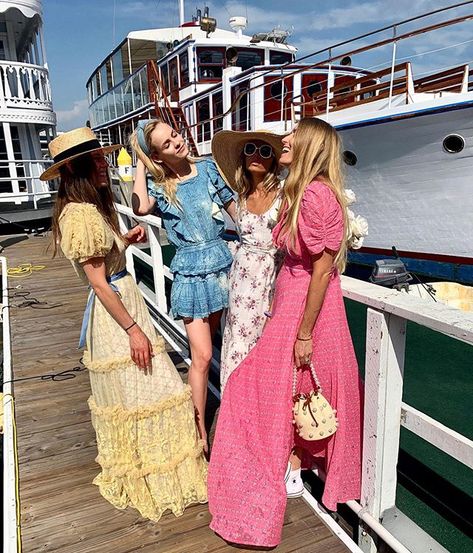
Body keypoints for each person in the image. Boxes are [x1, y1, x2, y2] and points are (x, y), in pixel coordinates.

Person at [207, 118, 362, 547]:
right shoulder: (306, 190)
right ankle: (286, 459)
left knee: (250, 384)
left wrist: (305, 330)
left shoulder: (315, 194)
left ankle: (278, 462)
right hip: (288, 297)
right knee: (277, 383)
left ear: (312, 145)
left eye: (293, 137)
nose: (284, 141)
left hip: (301, 306)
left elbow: (321, 269)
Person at [41, 127, 208, 521]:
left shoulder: (91, 206)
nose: (104, 165)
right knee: (152, 388)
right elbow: (98, 282)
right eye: (96, 161)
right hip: (117, 313)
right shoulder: (78, 214)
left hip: (122, 300)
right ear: (78, 170)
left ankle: (156, 466)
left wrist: (125, 242)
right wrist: (133, 329)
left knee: (141, 392)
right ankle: (153, 472)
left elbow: (102, 264)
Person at [130, 119, 236, 453]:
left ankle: (235, 420)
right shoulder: (162, 188)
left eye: (175, 135)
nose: (177, 142)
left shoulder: (208, 169)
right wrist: (140, 165)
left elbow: (238, 213)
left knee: (223, 346)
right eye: (166, 144)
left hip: (222, 267)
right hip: (190, 274)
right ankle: (199, 429)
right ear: (157, 157)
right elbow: (139, 207)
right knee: (203, 355)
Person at [211, 130, 283, 392]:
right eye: (251, 149)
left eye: (265, 152)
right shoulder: (240, 195)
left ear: (274, 161)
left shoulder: (284, 193)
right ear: (242, 156)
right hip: (241, 280)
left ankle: (260, 408)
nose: (257, 156)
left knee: (265, 342)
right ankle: (234, 403)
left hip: (271, 276)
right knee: (237, 342)